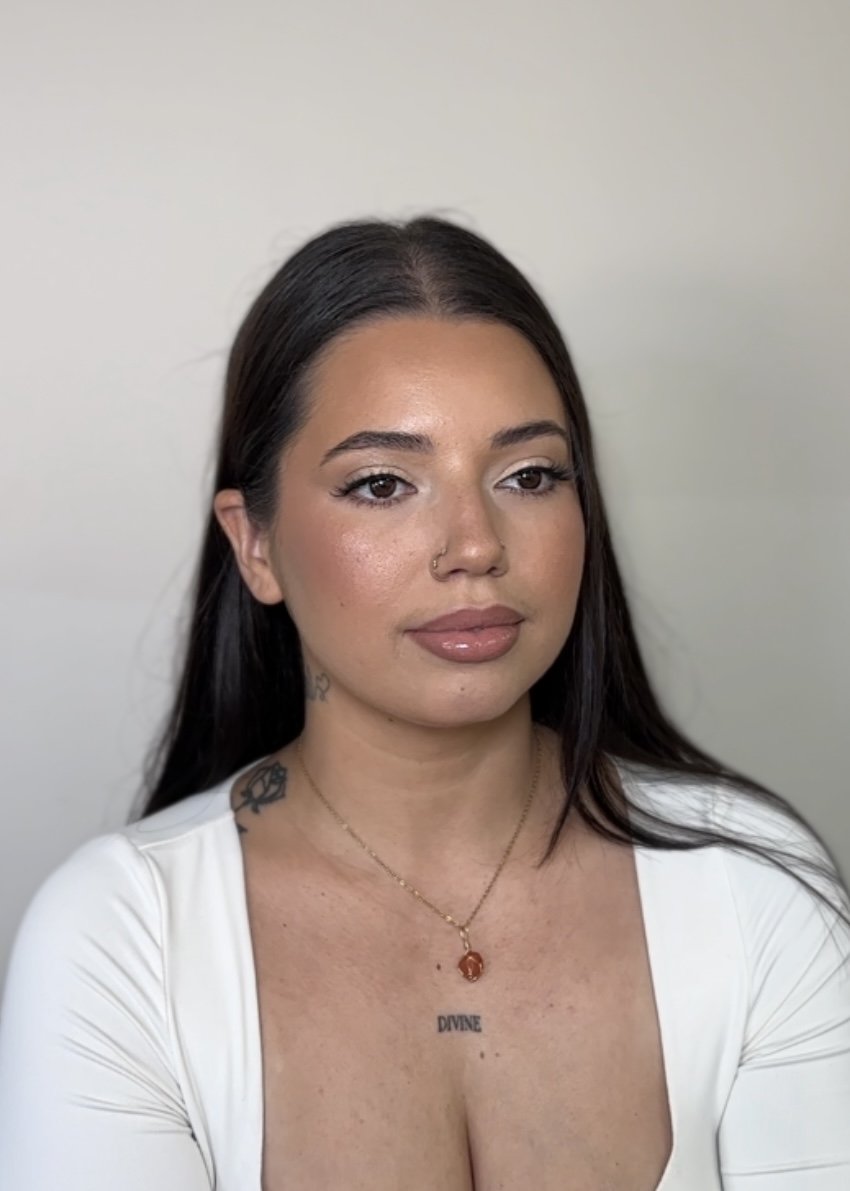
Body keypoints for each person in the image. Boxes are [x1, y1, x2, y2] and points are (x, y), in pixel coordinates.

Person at [0, 216, 848, 1191]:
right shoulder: (121, 939)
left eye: (528, 475)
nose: (474, 545)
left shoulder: (755, 892)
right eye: (381, 484)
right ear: (255, 545)